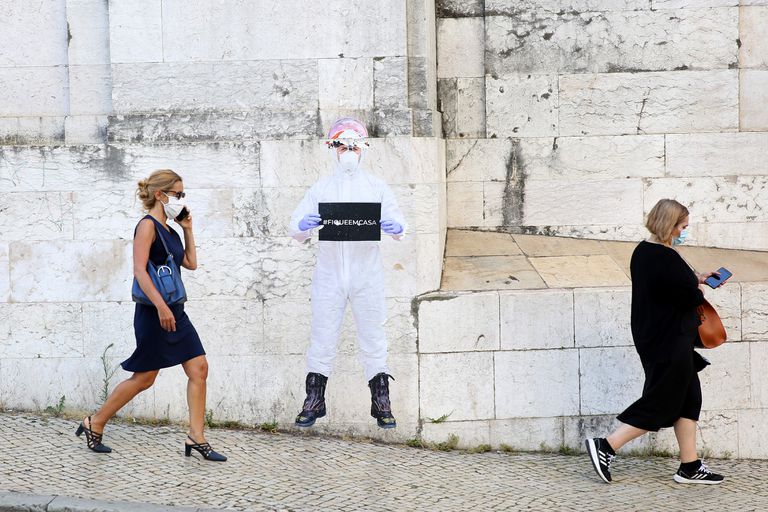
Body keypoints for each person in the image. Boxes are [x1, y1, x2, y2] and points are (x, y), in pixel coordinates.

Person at [75, 169, 226, 462]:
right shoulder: (146, 227)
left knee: (199, 368)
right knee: (145, 378)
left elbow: (191, 264)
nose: (181, 199)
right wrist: (160, 307)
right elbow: (139, 271)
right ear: (161, 194)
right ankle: (95, 421)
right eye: (178, 194)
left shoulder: (170, 230)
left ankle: (197, 437)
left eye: (183, 194)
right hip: (154, 312)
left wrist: (188, 228)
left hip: (175, 310)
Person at [585, 199, 724, 484]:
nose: (685, 231)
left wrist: (697, 277)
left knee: (688, 399)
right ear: (669, 225)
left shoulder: (646, 252)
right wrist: (698, 288)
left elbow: (668, 287)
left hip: (661, 337)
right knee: (663, 400)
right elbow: (687, 296)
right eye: (683, 226)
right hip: (668, 340)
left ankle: (690, 466)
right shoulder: (665, 257)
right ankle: (606, 445)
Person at [290, 118, 406, 429]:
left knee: (374, 336)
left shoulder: (376, 187)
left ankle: (381, 401)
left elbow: (399, 222)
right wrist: (304, 225)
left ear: (363, 148)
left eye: (353, 145)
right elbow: (295, 227)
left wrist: (395, 227)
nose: (348, 150)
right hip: (329, 274)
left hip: (366, 273)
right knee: (322, 336)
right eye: (342, 145)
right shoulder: (321, 188)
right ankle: (314, 399)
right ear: (332, 149)